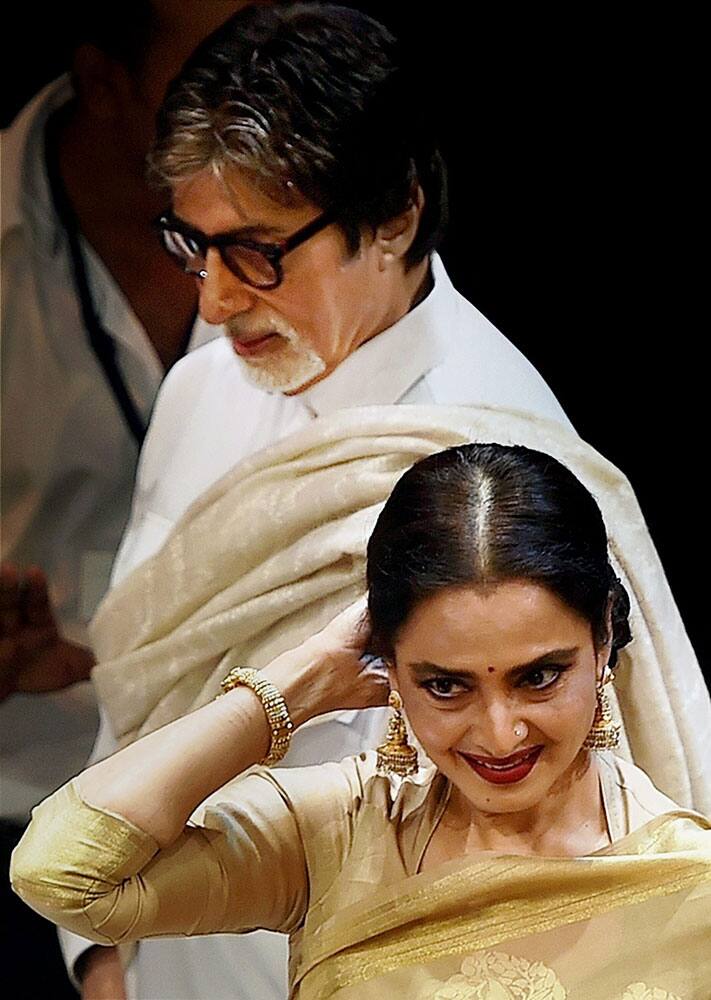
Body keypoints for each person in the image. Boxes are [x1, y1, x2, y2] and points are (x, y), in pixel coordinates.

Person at [58, 3, 586, 995]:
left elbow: (527, 857)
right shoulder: (204, 381)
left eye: (257, 250)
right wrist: (101, 958)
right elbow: (146, 687)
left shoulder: (498, 464)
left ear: (394, 216)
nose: (213, 299)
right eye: (191, 243)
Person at [11, 442, 711, 999]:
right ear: (388, 665)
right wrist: (296, 683)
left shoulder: (692, 881)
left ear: (602, 638)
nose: (499, 734)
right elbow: (62, 873)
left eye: (537, 677)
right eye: (445, 685)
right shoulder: (338, 832)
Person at [0, 2, 245, 995]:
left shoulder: (307, 231)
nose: (260, 105)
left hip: (237, 816)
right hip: (25, 795)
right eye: (219, 71)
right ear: (104, 84)